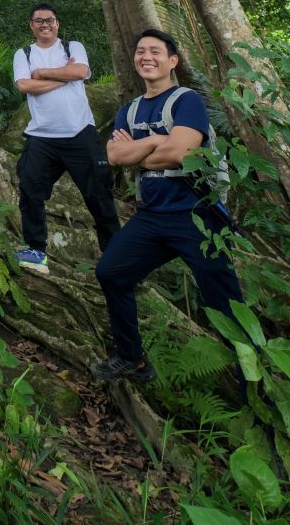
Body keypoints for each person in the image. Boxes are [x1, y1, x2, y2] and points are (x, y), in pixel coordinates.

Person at [90, 29, 243, 385]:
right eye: (140, 50)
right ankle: (133, 358)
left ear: (172, 61)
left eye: (155, 51)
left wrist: (142, 151)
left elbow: (181, 153)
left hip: (199, 216)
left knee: (224, 303)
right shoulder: (129, 110)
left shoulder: (186, 100)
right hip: (153, 216)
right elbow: (113, 155)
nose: (147, 56)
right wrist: (160, 139)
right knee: (111, 272)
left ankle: (253, 376)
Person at [12, 1, 118, 275]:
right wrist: (64, 77)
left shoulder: (73, 48)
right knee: (30, 190)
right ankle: (36, 252)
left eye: (50, 20)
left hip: (80, 133)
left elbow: (80, 72)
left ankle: (116, 256)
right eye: (39, 21)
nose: (45, 24)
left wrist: (44, 74)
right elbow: (25, 85)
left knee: (99, 195)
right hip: (41, 137)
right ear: (31, 26)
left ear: (57, 23)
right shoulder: (23, 54)